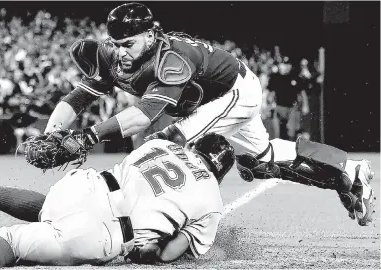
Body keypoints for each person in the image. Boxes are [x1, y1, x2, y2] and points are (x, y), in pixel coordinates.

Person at [38, 2, 373, 226]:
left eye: (129, 44)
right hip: (217, 99)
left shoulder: (170, 60)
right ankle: (350, 170)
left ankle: (161, 226)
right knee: (262, 159)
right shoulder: (112, 55)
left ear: (151, 35)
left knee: (168, 143)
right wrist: (53, 131)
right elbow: (77, 98)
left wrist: (89, 136)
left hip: (236, 91)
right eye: (115, 43)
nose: (121, 52)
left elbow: (142, 116)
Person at [0, 133, 235, 268]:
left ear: (195, 147)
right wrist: (147, 251)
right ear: (220, 173)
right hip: (101, 235)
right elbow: (167, 254)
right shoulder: (213, 200)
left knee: (49, 209)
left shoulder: (161, 144)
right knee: (9, 241)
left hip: (84, 185)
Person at [267, 57, 309, 140]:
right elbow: (271, 93)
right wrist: (269, 102)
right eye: (283, 64)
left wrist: (305, 106)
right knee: (277, 135)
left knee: (291, 133)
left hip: (292, 109)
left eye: (287, 65)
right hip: (279, 108)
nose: (284, 67)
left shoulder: (295, 77)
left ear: (290, 66)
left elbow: (302, 92)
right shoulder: (275, 77)